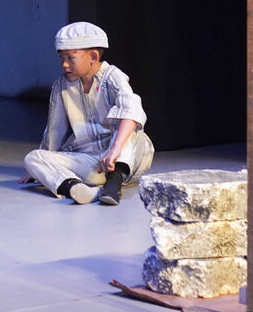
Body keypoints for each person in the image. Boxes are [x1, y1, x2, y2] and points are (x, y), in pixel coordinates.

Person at [21, 21, 154, 205]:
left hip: (124, 159)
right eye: (61, 58)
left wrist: (114, 150)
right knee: (33, 157)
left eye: (70, 58)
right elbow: (55, 131)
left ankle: (113, 183)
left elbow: (132, 110)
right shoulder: (62, 86)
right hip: (91, 164)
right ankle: (76, 189)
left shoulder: (112, 77)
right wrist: (42, 168)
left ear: (93, 56)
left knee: (130, 125)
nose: (64, 64)